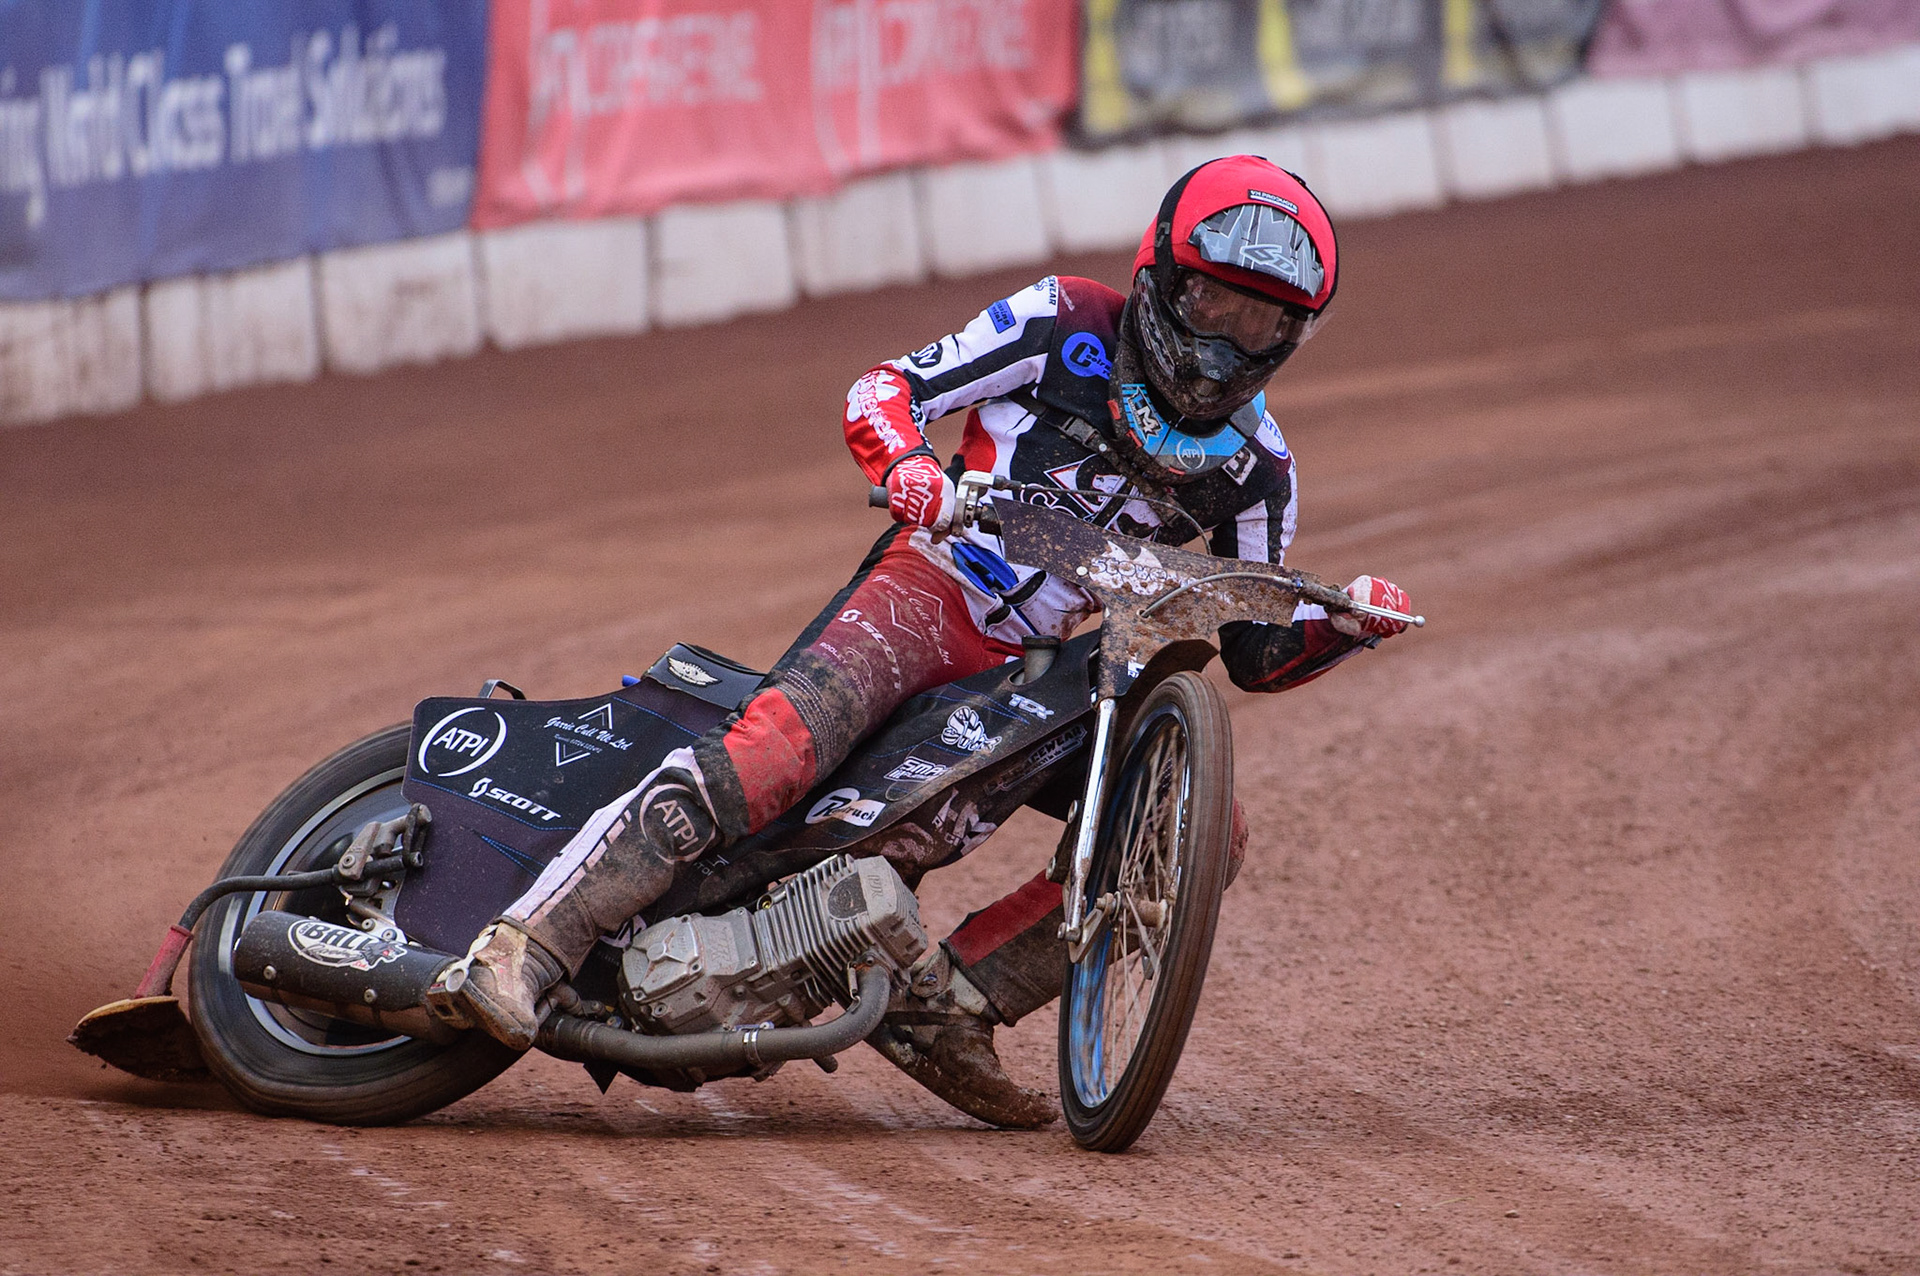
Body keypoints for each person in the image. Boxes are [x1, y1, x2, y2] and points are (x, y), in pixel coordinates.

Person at [433, 155, 1412, 1128]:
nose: (1225, 340)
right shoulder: (1062, 321)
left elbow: (1249, 646)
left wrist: (1340, 625)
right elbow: (885, 387)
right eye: (1213, 301)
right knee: (773, 752)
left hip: (1045, 670)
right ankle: (526, 945)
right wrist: (907, 464)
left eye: (1259, 323)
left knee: (1204, 826)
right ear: (1162, 272)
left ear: (1293, 337)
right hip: (931, 586)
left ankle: (952, 1008)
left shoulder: (1260, 469)